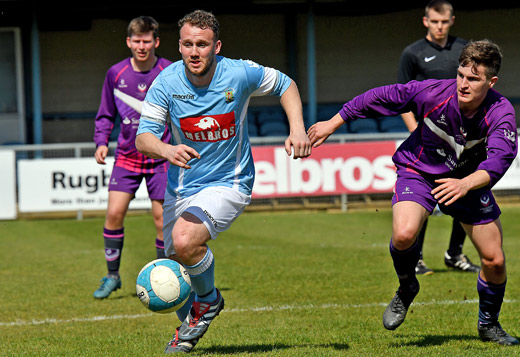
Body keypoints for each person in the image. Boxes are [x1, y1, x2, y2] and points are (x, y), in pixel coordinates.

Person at [308, 40, 518, 345]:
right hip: (419, 171)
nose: (463, 83)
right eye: (461, 74)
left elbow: (500, 159)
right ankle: (407, 288)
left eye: (473, 79)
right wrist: (334, 122)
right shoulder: (433, 92)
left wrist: (465, 183)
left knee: (494, 260)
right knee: (405, 234)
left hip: (467, 182)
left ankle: (489, 325)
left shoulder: (501, 111)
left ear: (491, 81)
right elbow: (379, 97)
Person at [135, 10, 311, 353]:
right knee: (176, 265)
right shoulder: (166, 83)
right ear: (180, 45)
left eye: (202, 44)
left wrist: (297, 128)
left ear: (217, 46)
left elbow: (285, 84)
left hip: (230, 181)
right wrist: (167, 149)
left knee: (185, 241)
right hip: (181, 187)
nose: (194, 52)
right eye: (187, 44)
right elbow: (143, 139)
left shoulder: (239, 72)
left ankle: (210, 301)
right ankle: (190, 329)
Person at [93, 16, 172, 299]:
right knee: (114, 213)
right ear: (128, 42)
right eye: (136, 41)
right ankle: (112, 276)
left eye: (147, 40)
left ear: (156, 42)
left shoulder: (168, 71)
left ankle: (168, 277)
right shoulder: (116, 73)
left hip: (161, 157)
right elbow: (105, 113)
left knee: (163, 220)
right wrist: (101, 142)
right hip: (127, 156)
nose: (142, 46)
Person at [398, 0, 479, 275]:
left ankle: (454, 253)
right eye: (435, 22)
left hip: (464, 141)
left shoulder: (465, 50)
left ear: (452, 20)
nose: (440, 26)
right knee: (425, 197)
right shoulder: (413, 54)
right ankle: (417, 257)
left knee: (467, 190)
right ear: (426, 22)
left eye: (444, 22)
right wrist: (418, 133)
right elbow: (404, 98)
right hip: (429, 141)